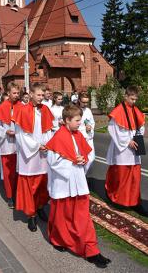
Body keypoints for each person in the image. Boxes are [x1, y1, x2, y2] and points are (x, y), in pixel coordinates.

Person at [46, 104, 111, 268]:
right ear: (67, 120)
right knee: (61, 217)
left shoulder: (78, 135)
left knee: (83, 218)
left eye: (80, 120)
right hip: (63, 184)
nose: (79, 123)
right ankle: (58, 239)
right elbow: (53, 162)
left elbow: (87, 154)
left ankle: (91, 251)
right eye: (77, 120)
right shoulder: (58, 137)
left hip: (78, 182)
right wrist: (73, 161)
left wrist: (82, 160)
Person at [14, 83, 54, 232]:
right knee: (30, 185)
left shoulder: (46, 110)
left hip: (43, 154)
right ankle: (31, 215)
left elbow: (49, 130)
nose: (41, 98)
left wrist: (47, 144)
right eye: (38, 95)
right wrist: (37, 146)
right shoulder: (22, 111)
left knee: (43, 183)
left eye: (43, 95)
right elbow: (21, 135)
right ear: (31, 94)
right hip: (29, 155)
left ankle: (41, 207)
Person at [105, 86, 146, 213]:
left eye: (135, 99)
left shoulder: (135, 110)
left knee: (135, 176)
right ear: (126, 96)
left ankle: (135, 201)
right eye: (132, 99)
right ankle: (119, 200)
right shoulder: (118, 111)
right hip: (122, 149)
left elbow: (140, 126)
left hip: (134, 149)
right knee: (122, 175)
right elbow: (113, 129)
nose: (134, 102)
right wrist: (127, 141)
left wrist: (138, 137)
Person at [0, 82, 22, 208]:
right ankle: (10, 196)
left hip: (19, 145)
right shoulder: (2, 107)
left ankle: (17, 194)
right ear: (8, 93)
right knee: (8, 172)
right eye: (14, 93)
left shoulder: (21, 106)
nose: (16, 95)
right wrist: (5, 131)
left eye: (18, 93)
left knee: (18, 172)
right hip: (6, 144)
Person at [78, 92, 95, 174]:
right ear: (79, 101)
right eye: (83, 102)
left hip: (88, 137)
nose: (85, 104)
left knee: (91, 158)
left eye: (87, 102)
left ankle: (83, 175)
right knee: (81, 159)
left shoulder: (88, 110)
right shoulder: (76, 110)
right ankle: (81, 177)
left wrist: (90, 128)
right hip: (80, 137)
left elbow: (92, 122)